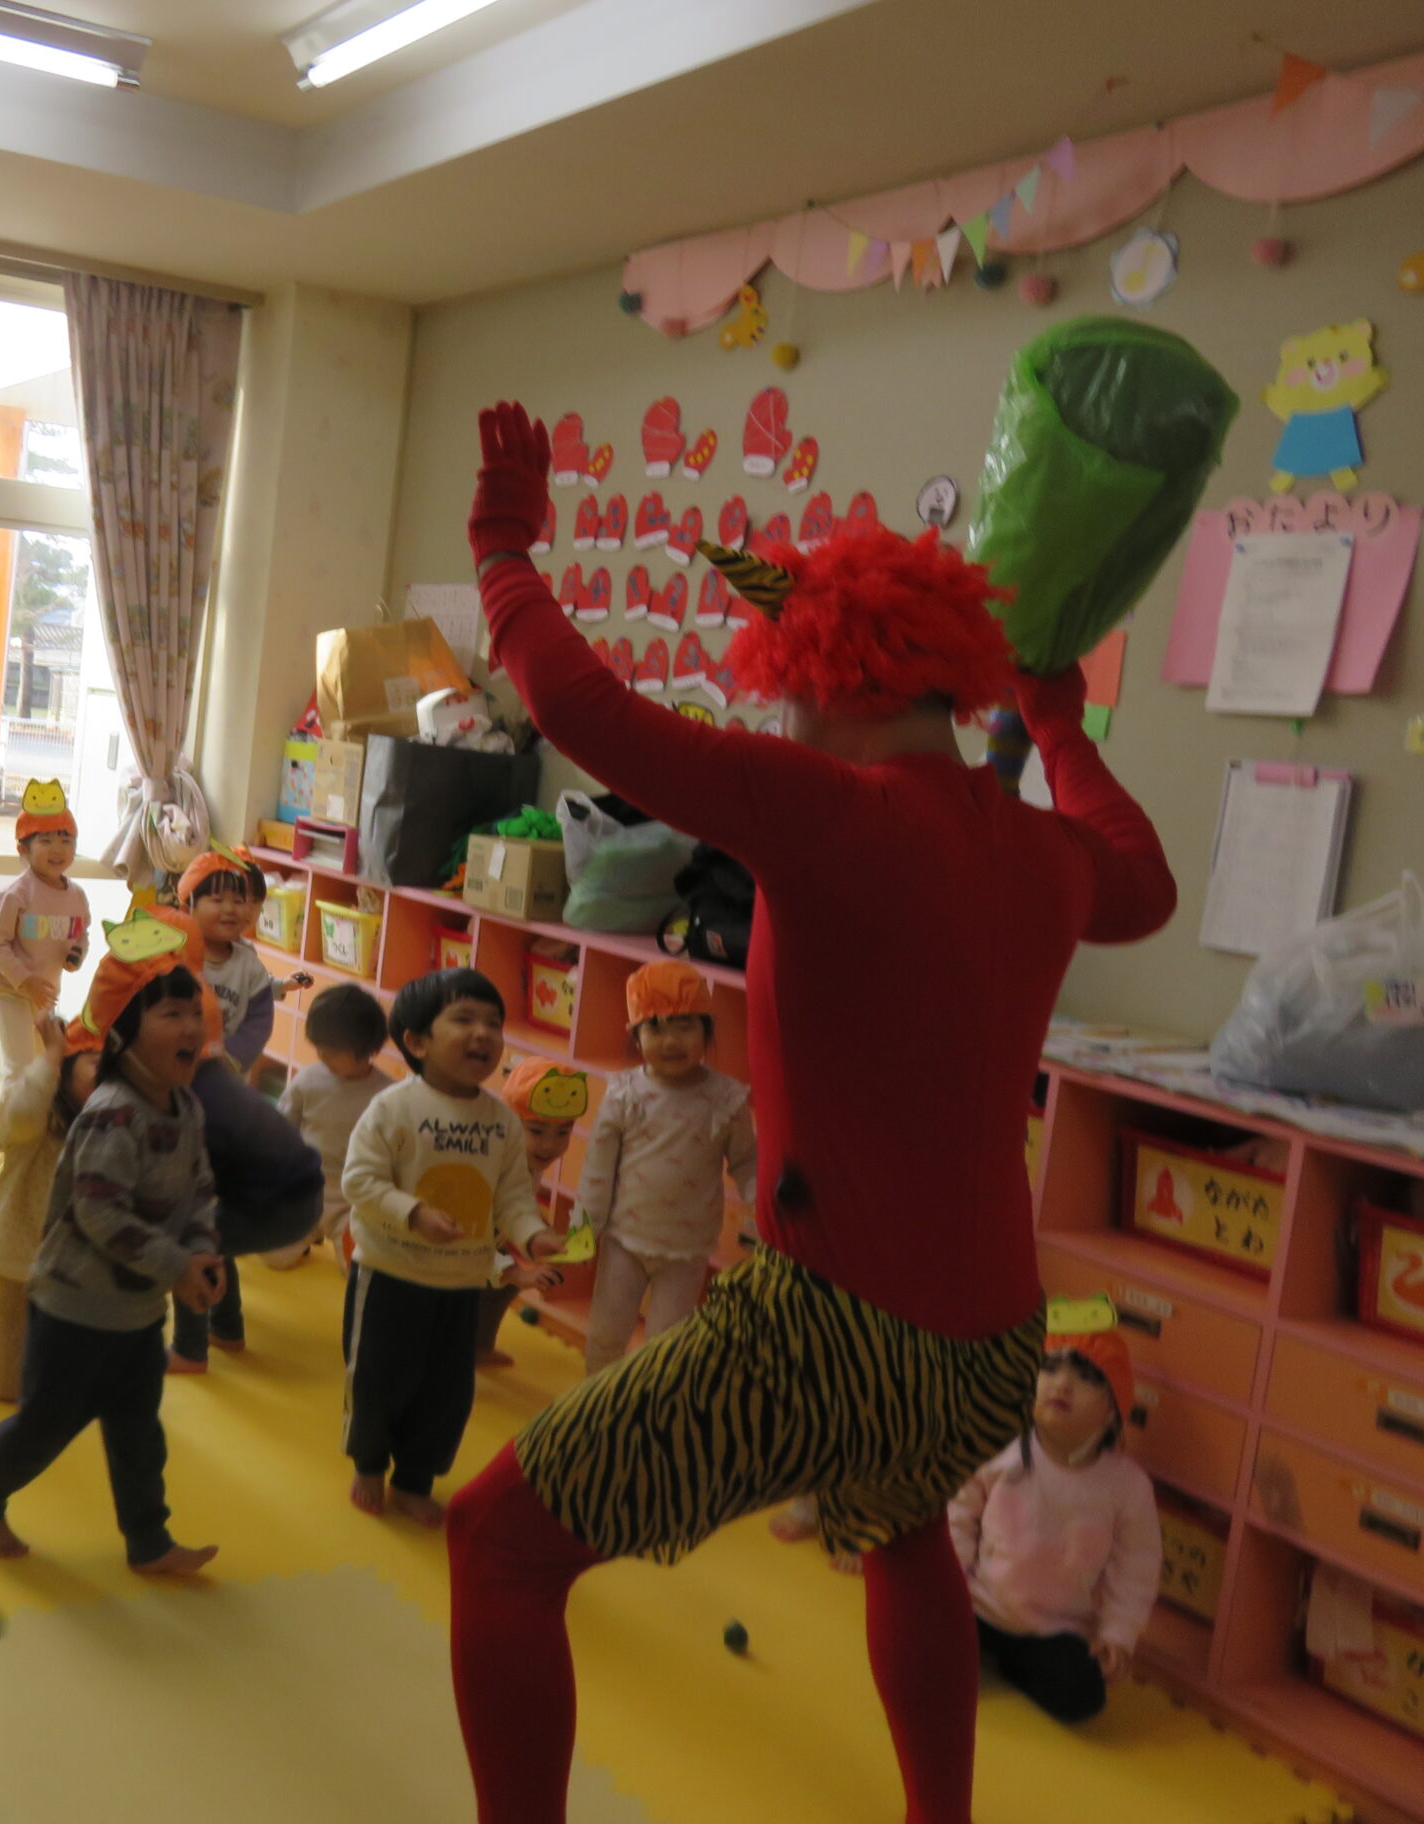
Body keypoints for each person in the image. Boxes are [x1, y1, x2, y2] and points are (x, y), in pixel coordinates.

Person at [446, 402, 1175, 1824]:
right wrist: (1053, 722)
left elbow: (582, 711)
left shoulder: (835, 810)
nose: (777, 711)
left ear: (821, 674)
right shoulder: (1041, 851)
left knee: (497, 1544)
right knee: (904, 1531)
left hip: (830, 1333)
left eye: (784, 682)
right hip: (992, 1341)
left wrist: (502, 546)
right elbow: (1139, 879)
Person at [0, 915, 224, 1577]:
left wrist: (201, 1249)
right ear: (124, 1034)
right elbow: (100, 1212)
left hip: (136, 1312)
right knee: (46, 1424)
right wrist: (176, 1264)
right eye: (171, 1014)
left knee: (139, 1433)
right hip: (72, 1307)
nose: (191, 1027)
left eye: (195, 1011)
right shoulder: (111, 1112)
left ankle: (149, 1541)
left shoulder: (187, 1111)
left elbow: (199, 1190)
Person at [340, 970, 566, 1527]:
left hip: (461, 1282)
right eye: (463, 1019)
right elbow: (360, 1181)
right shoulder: (393, 1108)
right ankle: (369, 1464)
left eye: (493, 1023)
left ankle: (415, 1479)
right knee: (377, 1380)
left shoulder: (501, 1122)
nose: (482, 1033)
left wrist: (531, 1233)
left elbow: (512, 1194)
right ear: (417, 1041)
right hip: (391, 1272)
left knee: (446, 1395)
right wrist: (413, 1212)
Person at [950, 1323, 1160, 1725]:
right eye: (1049, 1369)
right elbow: (958, 1514)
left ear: (1112, 1412)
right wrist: (949, 1584)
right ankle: (977, 1654)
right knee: (918, 1652)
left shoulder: (1127, 1487)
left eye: (1086, 1379)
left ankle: (1013, 1666)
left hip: (1053, 1631)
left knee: (1084, 1696)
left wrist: (1118, 1634)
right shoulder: (1002, 1448)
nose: (1062, 1384)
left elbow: (1136, 1568)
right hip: (974, 1608)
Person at [167, 846, 321, 1368]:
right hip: (189, 1084)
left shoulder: (248, 966)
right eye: (217, 900)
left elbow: (258, 1019)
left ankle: (198, 1341)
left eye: (241, 901)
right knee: (208, 1222)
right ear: (188, 904)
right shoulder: (175, 955)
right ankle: (226, 1326)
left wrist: (231, 1056)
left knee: (196, 1226)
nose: (231, 910)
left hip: (218, 1082)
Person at [577, 961, 756, 1376]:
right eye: (655, 1027)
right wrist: (584, 1231)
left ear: (706, 1031)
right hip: (624, 1240)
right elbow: (597, 1170)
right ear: (636, 1035)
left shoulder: (725, 1099)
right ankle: (595, 1401)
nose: (671, 1040)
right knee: (606, 1334)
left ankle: (652, 1406)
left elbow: (747, 1160)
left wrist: (761, 1204)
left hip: (686, 1249)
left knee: (667, 1346)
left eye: (684, 1026)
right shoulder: (625, 1094)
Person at [0, 1014, 99, 1402]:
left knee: (75, 1368)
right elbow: (23, 1113)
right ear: (65, 1070)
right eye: (97, 1062)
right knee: (7, 1386)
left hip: (80, 1268)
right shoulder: (37, 1121)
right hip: (20, 1260)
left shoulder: (115, 1125)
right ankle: (5, 1343)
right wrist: (51, 1056)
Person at [266, 981, 393, 1271]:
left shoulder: (387, 1095)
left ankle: (335, 1238)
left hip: (353, 1200)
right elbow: (282, 1128)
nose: (322, 1056)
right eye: (319, 1048)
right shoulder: (308, 1079)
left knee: (357, 1269)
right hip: (305, 1188)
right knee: (273, 1257)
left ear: (366, 1050)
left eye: (332, 1052)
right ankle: (306, 1237)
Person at [478, 1058, 591, 1367]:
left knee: (501, 1287)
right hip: (450, 1252)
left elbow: (521, 1206)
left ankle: (478, 1346)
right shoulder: (491, 1167)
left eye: (563, 1133)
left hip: (486, 1244)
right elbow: (470, 1241)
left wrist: (548, 1237)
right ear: (508, 1121)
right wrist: (515, 1273)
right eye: (537, 1131)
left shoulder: (523, 1162)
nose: (549, 1145)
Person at [0, 781, 90, 1073]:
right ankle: (10, 1106)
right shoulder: (14, 895)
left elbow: (81, 933)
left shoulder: (77, 896)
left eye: (66, 841)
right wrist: (25, 981)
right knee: (20, 1066)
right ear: (23, 849)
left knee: (44, 1063)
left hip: (46, 992)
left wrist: (77, 954)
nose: (58, 850)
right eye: (46, 841)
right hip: (12, 991)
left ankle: (36, 1105)